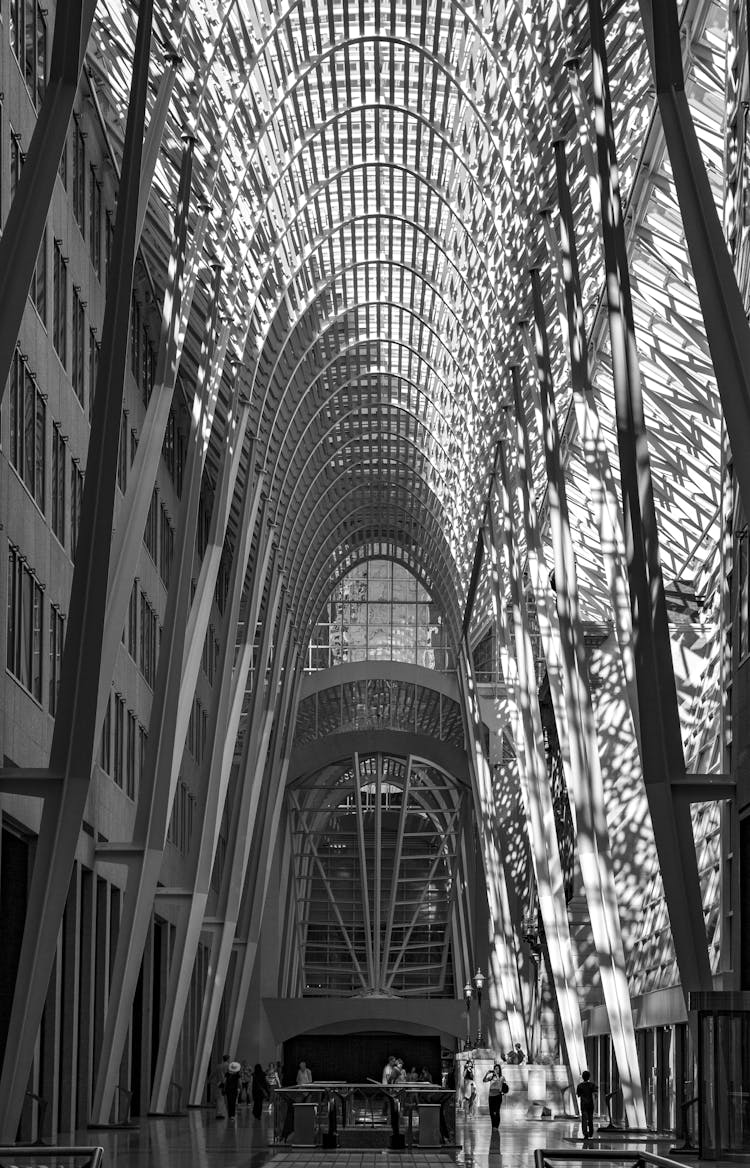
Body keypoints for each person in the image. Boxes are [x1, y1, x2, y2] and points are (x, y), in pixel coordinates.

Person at [483, 1063, 509, 1129]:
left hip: (498, 1096)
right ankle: (493, 1126)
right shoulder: (491, 1077)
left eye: (497, 1069)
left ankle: (496, 1126)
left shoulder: (502, 1077)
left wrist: (496, 1075)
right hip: (491, 1096)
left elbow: (500, 1082)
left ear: (499, 1070)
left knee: (497, 1111)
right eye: (495, 1069)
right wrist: (487, 1074)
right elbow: (484, 1080)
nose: (495, 1070)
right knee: (491, 1112)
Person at [576, 1070, 598, 1140]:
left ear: (582, 1077)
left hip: (583, 1104)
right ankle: (591, 1133)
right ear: (589, 1077)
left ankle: (585, 1133)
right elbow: (595, 1094)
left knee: (584, 1120)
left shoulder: (580, 1086)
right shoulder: (592, 1085)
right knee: (590, 1119)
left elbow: (578, 1095)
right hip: (590, 1104)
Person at [213, 1053, 229, 1119]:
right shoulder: (228, 1066)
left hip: (219, 1084)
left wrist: (209, 1080)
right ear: (228, 1059)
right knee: (226, 1100)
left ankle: (219, 1113)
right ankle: (224, 1113)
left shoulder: (218, 1066)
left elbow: (213, 1074)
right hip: (226, 1084)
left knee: (219, 1099)